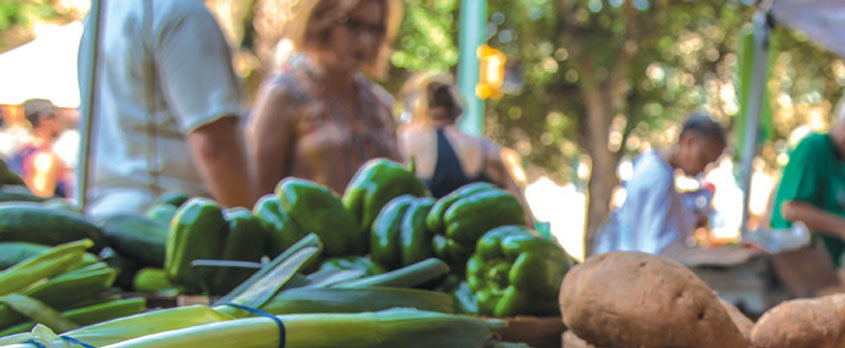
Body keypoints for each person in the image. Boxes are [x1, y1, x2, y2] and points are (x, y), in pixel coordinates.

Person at [76, 0, 254, 218]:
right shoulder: (183, 14)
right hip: (172, 220)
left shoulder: (103, 16)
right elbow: (213, 145)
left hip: (108, 216)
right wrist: (247, 222)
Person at [247, 0, 402, 195]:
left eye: (375, 29)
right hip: (308, 224)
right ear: (322, 20)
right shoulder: (285, 95)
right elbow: (256, 194)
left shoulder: (381, 105)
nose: (366, 41)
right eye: (353, 25)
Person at [769, 93, 845, 266]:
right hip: (796, 267)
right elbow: (792, 209)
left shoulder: (841, 165)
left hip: (824, 268)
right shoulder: (813, 148)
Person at [594, 113, 727, 255]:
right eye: (703, 159)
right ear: (689, 141)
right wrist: (719, 256)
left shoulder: (654, 165)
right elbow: (656, 250)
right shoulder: (657, 176)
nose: (703, 169)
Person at [398, 72, 531, 214]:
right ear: (455, 107)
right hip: (479, 236)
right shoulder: (487, 150)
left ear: (416, 107)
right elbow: (524, 217)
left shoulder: (402, 141)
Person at [12, 100, 72, 199]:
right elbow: (39, 204)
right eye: (58, 117)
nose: (61, 123)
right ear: (45, 120)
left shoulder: (20, 152)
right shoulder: (44, 159)